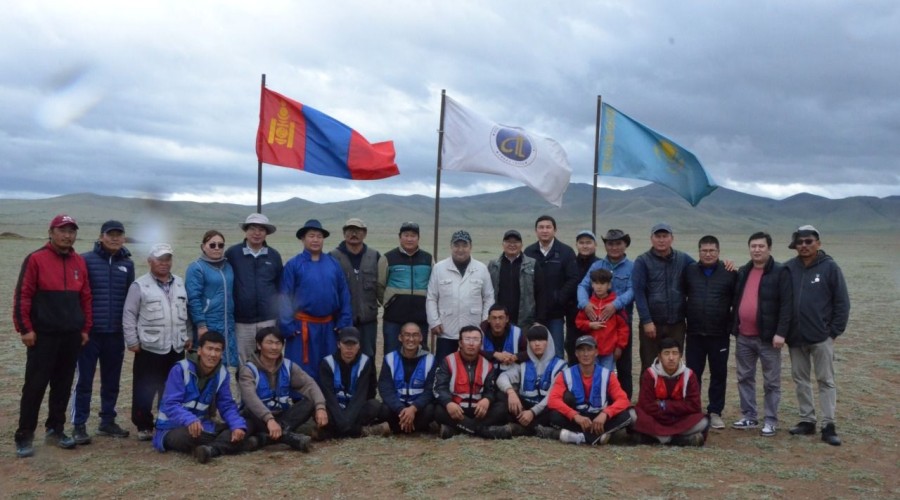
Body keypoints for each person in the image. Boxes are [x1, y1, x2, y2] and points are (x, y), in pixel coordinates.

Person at [13, 214, 92, 457]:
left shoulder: (79, 261)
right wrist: (25, 329)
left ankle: (55, 430)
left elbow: (85, 298)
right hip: (43, 336)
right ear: (51, 232)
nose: (67, 235)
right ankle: (24, 436)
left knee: (63, 386)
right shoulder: (36, 259)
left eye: (71, 231)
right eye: (62, 230)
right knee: (35, 386)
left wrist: (85, 329)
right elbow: (23, 295)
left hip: (70, 337)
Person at [784, 225, 850, 446]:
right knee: (800, 379)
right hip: (795, 337)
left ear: (818, 243)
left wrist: (833, 333)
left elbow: (842, 302)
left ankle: (828, 424)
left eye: (809, 241)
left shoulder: (830, 268)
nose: (804, 245)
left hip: (821, 337)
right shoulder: (789, 268)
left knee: (825, 380)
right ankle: (807, 420)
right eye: (800, 242)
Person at [71, 220, 134, 444]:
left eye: (119, 234)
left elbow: (130, 300)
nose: (115, 238)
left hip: (115, 333)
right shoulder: (85, 260)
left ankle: (107, 421)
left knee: (112, 380)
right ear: (101, 236)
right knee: (84, 380)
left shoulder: (127, 264)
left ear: (124, 238)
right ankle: (79, 424)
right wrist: (80, 327)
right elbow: (77, 295)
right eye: (110, 234)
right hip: (90, 333)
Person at [123, 243, 192, 441]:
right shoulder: (140, 285)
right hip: (149, 346)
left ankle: (167, 421)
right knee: (145, 388)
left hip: (175, 345)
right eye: (160, 259)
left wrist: (187, 335)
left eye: (167, 259)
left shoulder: (179, 282)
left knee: (171, 387)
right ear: (150, 261)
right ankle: (143, 425)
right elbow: (129, 314)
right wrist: (131, 340)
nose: (164, 263)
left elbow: (186, 313)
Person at [153, 331, 253, 464]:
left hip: (203, 426)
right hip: (171, 428)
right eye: (209, 349)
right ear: (199, 350)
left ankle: (209, 449)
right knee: (191, 436)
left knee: (243, 426)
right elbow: (170, 404)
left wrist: (237, 426)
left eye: (217, 350)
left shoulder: (222, 373)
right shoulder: (180, 369)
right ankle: (239, 444)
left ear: (222, 353)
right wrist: (190, 420)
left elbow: (226, 405)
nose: (213, 354)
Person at [731, 232, 792, 436]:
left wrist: (781, 333)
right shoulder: (744, 271)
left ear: (769, 248)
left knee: (771, 381)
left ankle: (771, 420)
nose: (757, 250)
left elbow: (786, 305)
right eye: (753, 246)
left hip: (768, 338)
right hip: (744, 336)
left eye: (761, 246)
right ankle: (749, 416)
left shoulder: (781, 271)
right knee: (744, 377)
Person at [279, 219, 352, 383]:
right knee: (301, 371)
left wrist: (344, 322)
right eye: (311, 236)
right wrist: (287, 325)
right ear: (303, 239)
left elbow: (344, 294)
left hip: (328, 327)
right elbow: (284, 296)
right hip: (301, 328)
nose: (315, 240)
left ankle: (328, 404)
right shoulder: (293, 265)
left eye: (319, 236)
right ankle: (302, 404)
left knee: (329, 368)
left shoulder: (333, 264)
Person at [238, 326, 326, 452]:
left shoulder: (288, 366)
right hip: (258, 418)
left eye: (278, 343)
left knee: (310, 402)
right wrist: (269, 419)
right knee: (249, 410)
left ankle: (265, 438)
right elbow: (250, 398)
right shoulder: (248, 370)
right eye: (269, 343)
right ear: (259, 345)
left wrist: (320, 407)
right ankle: (287, 438)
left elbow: (309, 384)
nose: (274, 347)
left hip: (282, 417)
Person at [683, 235, 737, 430]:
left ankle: (715, 412)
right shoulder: (689, 271)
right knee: (693, 374)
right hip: (695, 333)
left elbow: (736, 302)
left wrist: (730, 325)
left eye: (712, 250)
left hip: (719, 334)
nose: (708, 254)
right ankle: (694, 411)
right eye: (704, 250)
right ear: (699, 252)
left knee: (718, 374)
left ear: (718, 252)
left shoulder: (729, 273)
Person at [540, 335, 635, 445]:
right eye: (581, 350)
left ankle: (577, 437)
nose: (585, 354)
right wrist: (574, 416)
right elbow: (553, 400)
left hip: (599, 417)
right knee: (554, 415)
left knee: (626, 416)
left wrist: (605, 414)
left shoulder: (607, 375)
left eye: (589, 349)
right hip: (578, 418)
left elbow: (623, 400)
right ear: (576, 353)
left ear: (596, 352)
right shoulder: (566, 374)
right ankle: (597, 437)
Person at [576, 229, 636, 396]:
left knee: (624, 366)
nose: (614, 247)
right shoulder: (597, 266)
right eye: (610, 243)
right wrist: (584, 304)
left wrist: (616, 305)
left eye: (618, 243)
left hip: (621, 323)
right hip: (596, 325)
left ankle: (623, 403)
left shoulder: (632, 267)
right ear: (605, 245)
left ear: (625, 245)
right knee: (594, 366)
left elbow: (633, 290)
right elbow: (583, 286)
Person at [631, 223, 695, 374]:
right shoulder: (643, 261)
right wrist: (646, 320)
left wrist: (723, 264)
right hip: (652, 324)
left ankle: (673, 397)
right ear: (651, 239)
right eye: (658, 236)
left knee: (674, 364)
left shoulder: (683, 259)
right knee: (649, 365)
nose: (661, 240)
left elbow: (701, 268)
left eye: (665, 236)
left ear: (672, 238)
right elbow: (638, 292)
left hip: (677, 323)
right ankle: (648, 398)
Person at [426, 230, 495, 361]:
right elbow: (431, 297)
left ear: (471, 247)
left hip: (473, 330)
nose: (460, 249)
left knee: (473, 366)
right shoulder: (439, 268)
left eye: (464, 245)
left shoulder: (481, 269)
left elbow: (489, 297)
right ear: (451, 247)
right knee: (444, 367)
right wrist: (434, 322)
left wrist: (485, 322)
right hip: (446, 330)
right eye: (457, 245)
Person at [225, 213, 283, 364]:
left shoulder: (274, 256)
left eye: (261, 230)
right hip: (242, 321)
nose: (257, 233)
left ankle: (268, 388)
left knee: (269, 359)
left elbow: (279, 286)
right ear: (246, 231)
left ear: (266, 233)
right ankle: (246, 388)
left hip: (268, 319)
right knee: (245, 361)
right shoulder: (233, 254)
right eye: (252, 228)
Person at [432, 325, 508, 439]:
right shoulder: (448, 361)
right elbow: (439, 387)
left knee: (502, 407)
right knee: (437, 410)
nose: (471, 344)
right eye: (467, 339)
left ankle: (458, 430)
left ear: (481, 344)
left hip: (479, 411)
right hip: (456, 410)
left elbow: (491, 390)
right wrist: (448, 403)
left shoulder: (488, 365)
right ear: (460, 343)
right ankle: (483, 431)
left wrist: (487, 400)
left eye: (476, 340)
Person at [632, 337, 709, 446]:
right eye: (666, 353)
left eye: (675, 353)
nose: (671, 358)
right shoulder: (650, 374)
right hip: (655, 419)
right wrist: (678, 407)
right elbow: (646, 405)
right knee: (632, 415)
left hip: (679, 420)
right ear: (659, 356)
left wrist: (664, 405)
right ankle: (678, 440)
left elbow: (694, 406)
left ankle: (655, 438)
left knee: (703, 421)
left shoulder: (689, 375)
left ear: (680, 355)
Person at [524, 215, 579, 360]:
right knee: (533, 351)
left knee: (557, 352)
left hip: (556, 313)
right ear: (536, 231)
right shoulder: (529, 252)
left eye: (548, 227)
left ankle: (557, 382)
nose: (544, 230)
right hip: (533, 313)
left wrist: (559, 298)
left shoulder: (566, 252)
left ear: (555, 230)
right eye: (541, 227)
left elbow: (573, 279)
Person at [319, 327, 389, 438]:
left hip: (356, 409)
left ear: (359, 346)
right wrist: (343, 421)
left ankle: (330, 433)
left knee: (374, 405)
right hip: (335, 408)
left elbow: (360, 396)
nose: (349, 349)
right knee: (320, 412)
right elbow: (329, 396)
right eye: (346, 344)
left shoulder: (365, 362)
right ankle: (362, 431)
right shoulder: (327, 363)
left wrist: (345, 422)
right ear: (338, 345)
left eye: (353, 344)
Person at [496, 325, 567, 435]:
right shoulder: (524, 364)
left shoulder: (560, 365)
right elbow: (502, 378)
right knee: (502, 395)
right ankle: (538, 430)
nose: (537, 344)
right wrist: (510, 392)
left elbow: (552, 395)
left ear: (548, 342)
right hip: (525, 408)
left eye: (541, 340)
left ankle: (523, 429)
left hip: (545, 409)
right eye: (533, 340)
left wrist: (532, 412)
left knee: (562, 405)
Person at [378, 221, 433, 354]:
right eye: (406, 235)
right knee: (392, 353)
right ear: (400, 237)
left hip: (421, 317)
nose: (409, 239)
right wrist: (390, 303)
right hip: (394, 318)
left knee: (420, 353)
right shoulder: (388, 258)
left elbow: (433, 286)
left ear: (418, 238)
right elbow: (379, 285)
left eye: (413, 235)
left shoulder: (428, 259)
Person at [330, 218, 381, 358]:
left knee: (368, 357)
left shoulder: (374, 256)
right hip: (341, 321)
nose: (353, 234)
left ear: (364, 233)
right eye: (349, 230)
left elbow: (381, 286)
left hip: (368, 320)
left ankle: (369, 381)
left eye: (357, 230)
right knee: (343, 357)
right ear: (343, 233)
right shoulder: (333, 257)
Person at [186, 230, 237, 367]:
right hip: (208, 323)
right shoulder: (197, 268)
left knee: (223, 363)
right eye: (212, 245)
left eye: (220, 245)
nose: (216, 248)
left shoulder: (227, 267)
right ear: (203, 246)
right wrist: (201, 325)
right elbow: (193, 298)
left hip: (227, 323)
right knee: (205, 364)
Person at [377, 322, 437, 434]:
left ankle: (398, 429)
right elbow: (385, 388)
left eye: (415, 335)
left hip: (418, 409)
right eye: (407, 335)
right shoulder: (390, 358)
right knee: (383, 410)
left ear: (421, 337)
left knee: (431, 410)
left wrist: (413, 408)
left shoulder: (430, 359)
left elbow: (430, 390)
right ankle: (413, 427)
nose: (411, 339)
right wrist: (401, 409)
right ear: (400, 337)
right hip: (398, 409)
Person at [574, 269, 630, 371]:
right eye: (596, 283)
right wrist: (590, 325)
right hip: (590, 350)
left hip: (609, 351)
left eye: (602, 283)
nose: (599, 286)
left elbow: (623, 328)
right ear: (592, 285)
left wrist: (619, 346)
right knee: (592, 375)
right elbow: (579, 322)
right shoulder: (588, 304)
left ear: (609, 285)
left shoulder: (615, 306)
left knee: (606, 377)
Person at [487, 229, 536, 330]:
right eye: (508, 242)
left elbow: (540, 292)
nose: (512, 245)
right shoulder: (493, 265)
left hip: (525, 320)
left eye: (516, 242)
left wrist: (539, 319)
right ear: (503, 244)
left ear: (521, 245)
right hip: (499, 321)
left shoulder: (532, 264)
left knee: (522, 345)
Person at [566, 230, 600, 361]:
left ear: (595, 245)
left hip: (595, 316)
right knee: (573, 350)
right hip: (573, 315)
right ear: (576, 245)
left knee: (594, 351)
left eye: (588, 242)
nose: (585, 246)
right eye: (581, 243)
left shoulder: (600, 264)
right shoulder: (570, 263)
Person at [479, 304, 528, 372]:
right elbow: (472, 351)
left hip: (511, 370)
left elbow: (529, 352)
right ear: (489, 319)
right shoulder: (480, 333)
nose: (497, 322)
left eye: (501, 318)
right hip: (484, 371)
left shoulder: (516, 332)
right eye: (494, 318)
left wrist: (515, 357)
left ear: (507, 319)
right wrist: (494, 354)